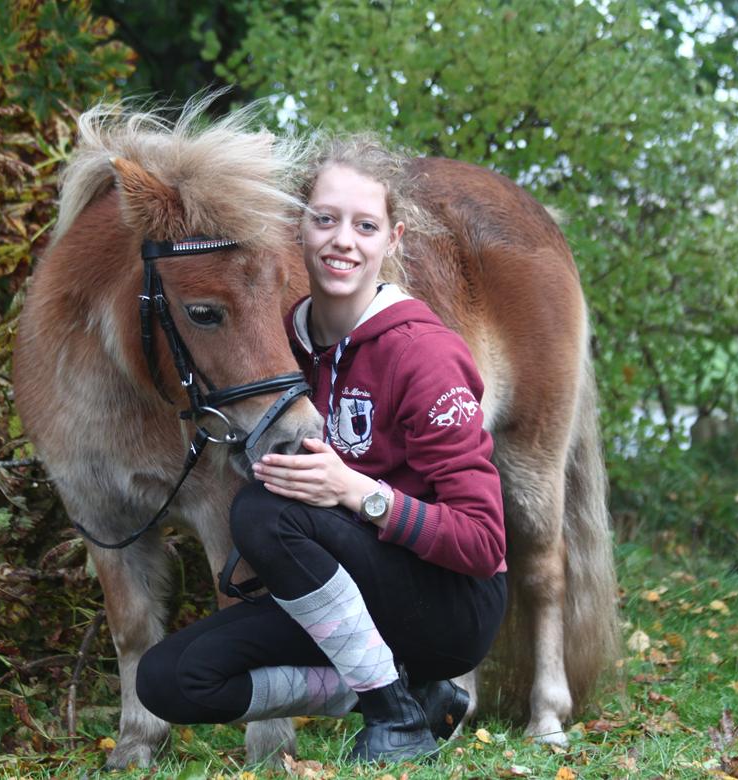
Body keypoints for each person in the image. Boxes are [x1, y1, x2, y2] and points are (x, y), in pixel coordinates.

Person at [136, 135, 508, 763]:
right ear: (295, 229)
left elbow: (482, 542)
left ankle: (397, 720)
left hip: (449, 605)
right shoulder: (283, 344)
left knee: (263, 510)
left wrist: (359, 493)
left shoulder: (425, 352)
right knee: (170, 680)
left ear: (392, 240)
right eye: (325, 219)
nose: (343, 240)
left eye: (366, 225)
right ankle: (406, 694)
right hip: (343, 600)